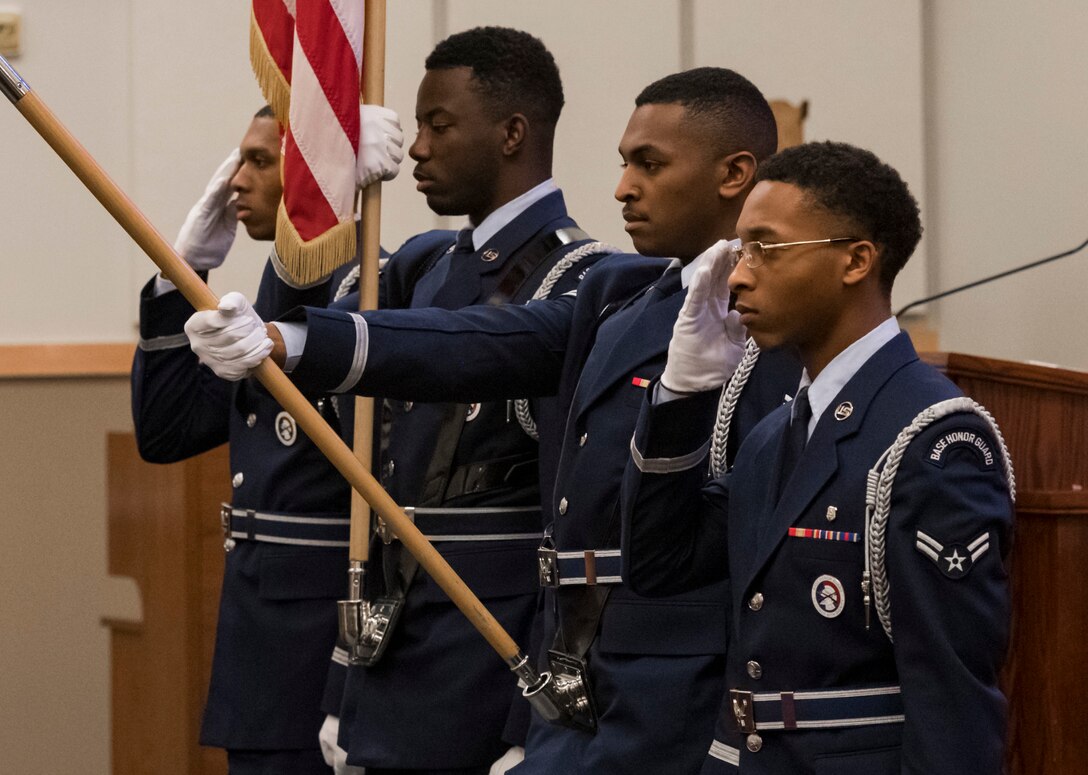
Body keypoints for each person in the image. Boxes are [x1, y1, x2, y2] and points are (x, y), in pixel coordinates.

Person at [185, 68, 800, 774]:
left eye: (650, 165)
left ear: (734, 173)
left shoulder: (779, 321)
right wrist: (290, 340)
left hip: (684, 697)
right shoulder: (620, 293)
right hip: (578, 688)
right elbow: (480, 344)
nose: (623, 187)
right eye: (625, 163)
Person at [621, 141, 1014, 773]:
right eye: (739, 250)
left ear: (856, 260)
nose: (740, 275)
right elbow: (659, 565)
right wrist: (682, 395)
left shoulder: (930, 439)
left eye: (766, 249)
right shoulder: (776, 433)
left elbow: (951, 695)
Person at [304, 26, 612, 775]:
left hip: (487, 671)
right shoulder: (429, 267)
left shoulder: (579, 279)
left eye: (439, 125)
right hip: (393, 661)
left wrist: (527, 723)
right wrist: (347, 688)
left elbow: (569, 530)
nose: (417, 149)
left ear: (512, 134)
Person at [131, 104, 403, 774]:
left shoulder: (371, 292)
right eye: (240, 160)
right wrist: (181, 274)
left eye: (260, 161)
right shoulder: (269, 300)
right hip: (260, 651)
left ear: (317, 176)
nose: (235, 183)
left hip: (330, 651)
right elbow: (167, 430)